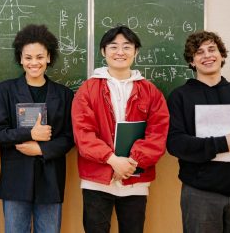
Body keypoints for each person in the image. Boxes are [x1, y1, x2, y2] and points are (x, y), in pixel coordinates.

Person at [72, 25, 169, 233]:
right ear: (103, 51)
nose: (120, 52)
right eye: (113, 46)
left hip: (136, 180)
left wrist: (130, 164)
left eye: (127, 46)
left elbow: (157, 133)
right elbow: (83, 134)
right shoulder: (87, 89)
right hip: (96, 181)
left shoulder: (150, 91)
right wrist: (113, 161)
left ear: (136, 52)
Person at [0, 24, 74, 233]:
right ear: (20, 59)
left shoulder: (64, 94)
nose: (34, 63)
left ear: (49, 57)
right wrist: (30, 134)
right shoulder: (6, 90)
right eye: (28, 58)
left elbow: (69, 136)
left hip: (50, 179)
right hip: (16, 179)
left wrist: (42, 149)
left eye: (39, 57)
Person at [167, 31, 230, 233]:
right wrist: (224, 143)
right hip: (200, 194)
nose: (207, 56)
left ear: (222, 55)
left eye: (212, 49)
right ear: (192, 61)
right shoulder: (179, 97)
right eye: (199, 52)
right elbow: (175, 143)